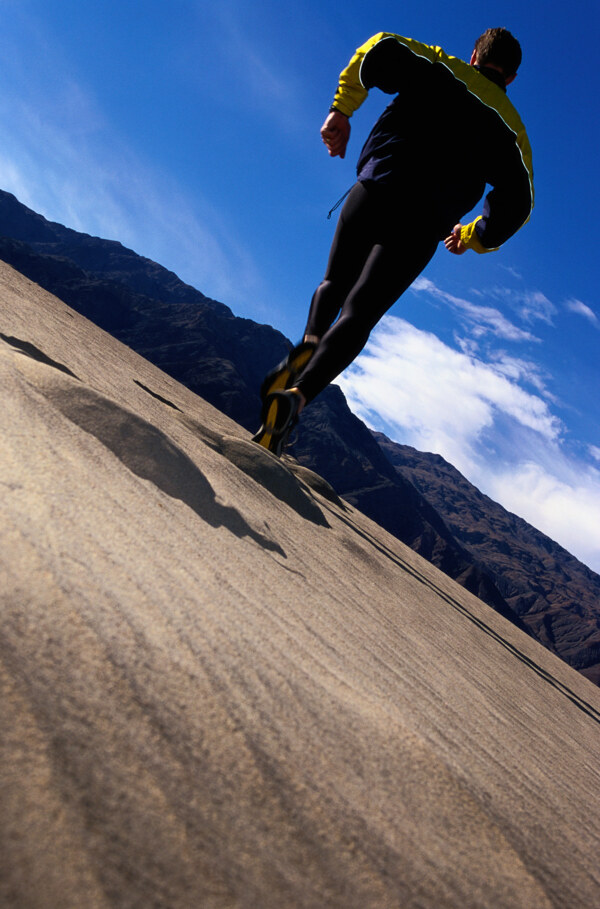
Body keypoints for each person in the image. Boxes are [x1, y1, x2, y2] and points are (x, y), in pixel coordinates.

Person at [253, 27, 533, 456]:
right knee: (360, 314)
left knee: (334, 281)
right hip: (422, 223)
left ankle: (309, 342)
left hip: (376, 185)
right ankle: (297, 398)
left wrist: (341, 111)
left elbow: (379, 49)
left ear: (475, 54)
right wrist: (473, 236)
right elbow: (518, 204)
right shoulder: (510, 129)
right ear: (511, 78)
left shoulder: (440, 64)